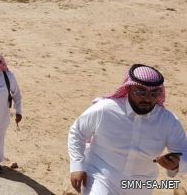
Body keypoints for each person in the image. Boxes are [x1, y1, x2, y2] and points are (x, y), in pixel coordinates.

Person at [68, 64, 187, 195]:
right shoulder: (105, 109)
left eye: (154, 93)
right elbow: (77, 132)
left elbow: (184, 151)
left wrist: (177, 164)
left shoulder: (168, 121)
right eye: (141, 92)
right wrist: (77, 167)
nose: (147, 98)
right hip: (101, 176)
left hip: (140, 184)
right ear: (129, 88)